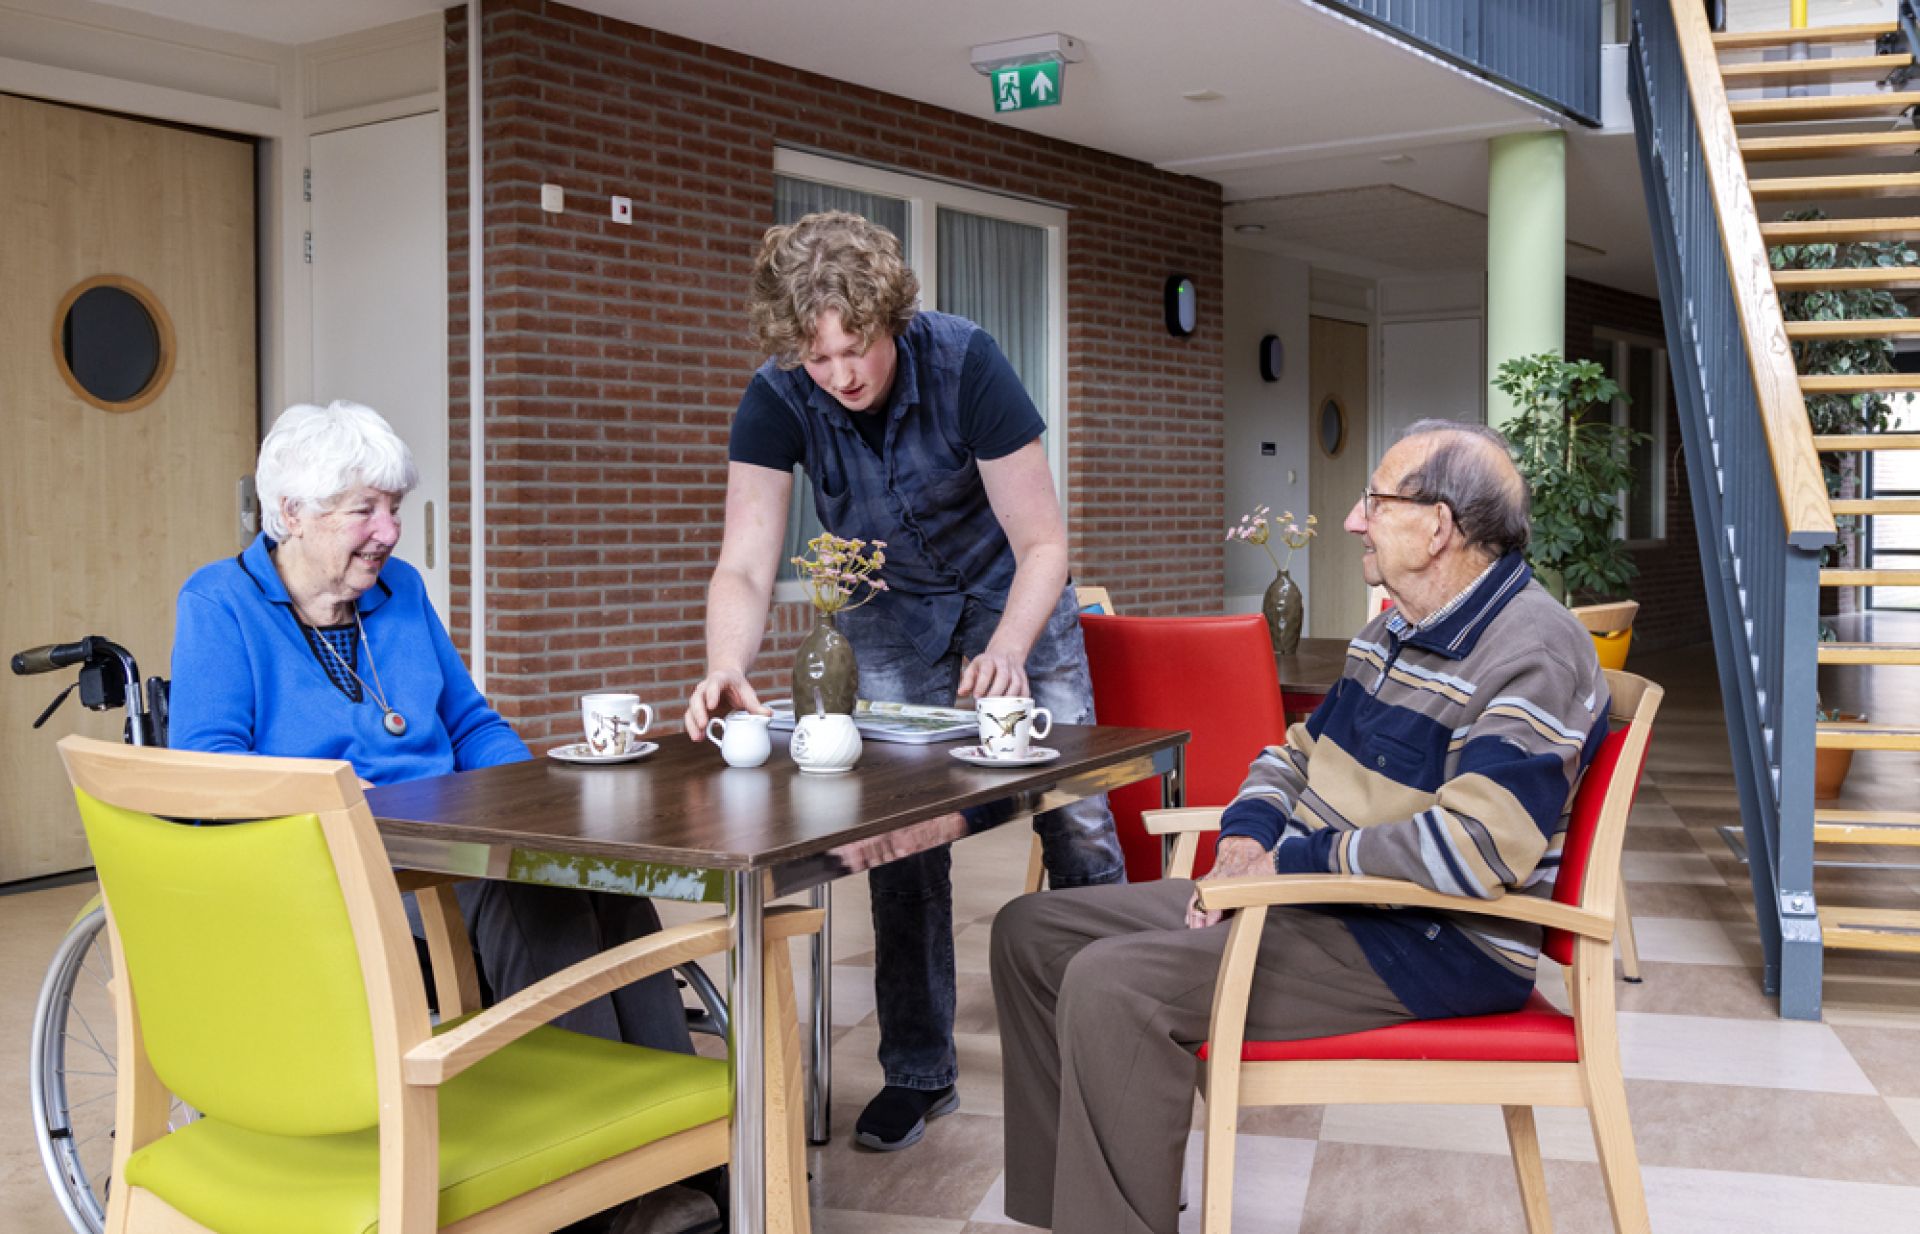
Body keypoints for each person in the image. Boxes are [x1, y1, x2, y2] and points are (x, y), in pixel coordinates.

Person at [990, 420, 1610, 1234]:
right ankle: (1071, 1215)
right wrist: (1249, 837)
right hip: (1323, 901)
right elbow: (1296, 752)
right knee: (1032, 931)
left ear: (1437, 528)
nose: (1354, 519)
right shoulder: (1395, 629)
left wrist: (1289, 864)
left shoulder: (1534, 649)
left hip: (1426, 943)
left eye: (1375, 501)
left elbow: (1478, 849)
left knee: (1116, 985)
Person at [171, 401, 717, 1234]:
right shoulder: (220, 604)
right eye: (366, 510)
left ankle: (682, 1153)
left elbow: (471, 723)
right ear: (292, 514)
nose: (389, 530)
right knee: (536, 904)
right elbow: (210, 773)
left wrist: (538, 811)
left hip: (451, 848)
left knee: (602, 886)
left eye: (392, 507)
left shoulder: (401, 594)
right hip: (332, 870)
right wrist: (343, 802)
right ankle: (599, 1184)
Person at [683, 210, 1126, 1151]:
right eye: (819, 357)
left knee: (1077, 816)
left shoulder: (967, 362)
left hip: (1017, 599)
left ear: (892, 317)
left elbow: (1044, 542)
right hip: (890, 617)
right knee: (899, 844)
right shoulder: (776, 397)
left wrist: (1009, 646)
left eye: (858, 348)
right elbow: (747, 563)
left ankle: (1114, 1045)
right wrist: (727, 662)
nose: (841, 374)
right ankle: (919, 1074)